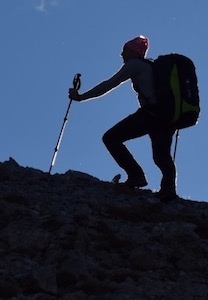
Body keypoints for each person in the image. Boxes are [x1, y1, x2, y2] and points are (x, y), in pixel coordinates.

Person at [68, 35, 178, 202]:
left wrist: (81, 97)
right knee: (161, 156)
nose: (121, 54)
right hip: (166, 117)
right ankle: (168, 191)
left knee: (111, 138)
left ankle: (136, 176)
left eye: (124, 50)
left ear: (133, 52)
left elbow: (110, 83)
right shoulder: (151, 67)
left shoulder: (135, 65)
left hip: (150, 114)